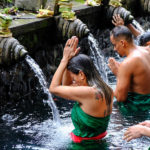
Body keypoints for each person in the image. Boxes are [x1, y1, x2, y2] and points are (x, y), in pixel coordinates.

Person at [49, 36, 113, 143]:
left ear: (81, 74)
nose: (74, 82)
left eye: (74, 79)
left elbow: (53, 88)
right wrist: (69, 62)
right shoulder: (106, 89)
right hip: (100, 142)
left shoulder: (88, 93)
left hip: (83, 146)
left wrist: (64, 60)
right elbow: (67, 86)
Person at [108, 25, 150, 111]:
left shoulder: (127, 64)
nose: (114, 49)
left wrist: (118, 73)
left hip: (138, 109)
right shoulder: (146, 50)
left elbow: (120, 98)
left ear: (123, 43)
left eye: (115, 45)